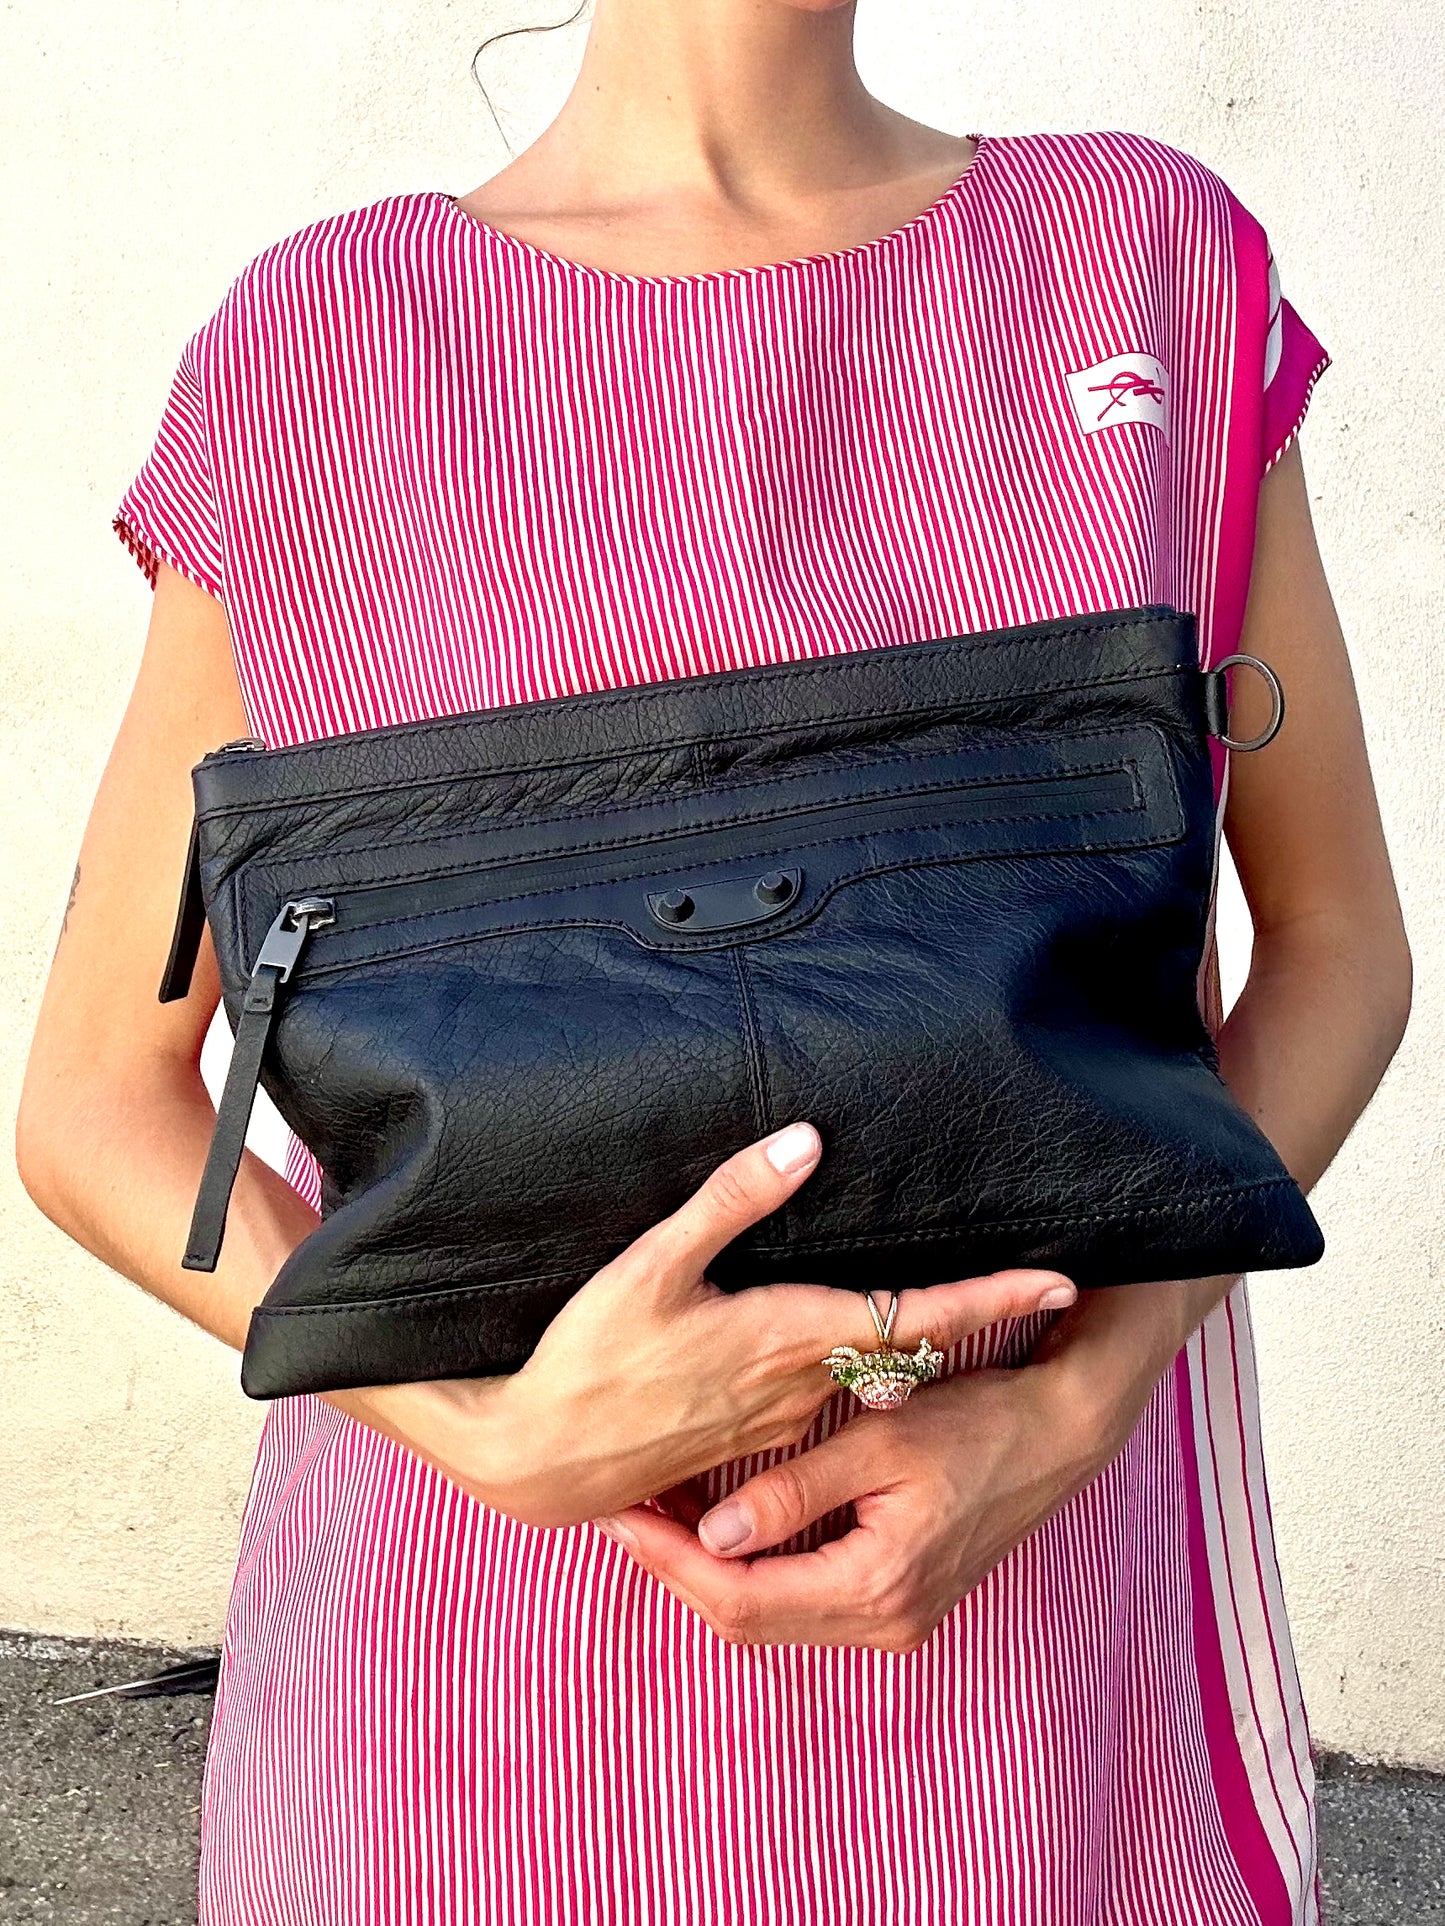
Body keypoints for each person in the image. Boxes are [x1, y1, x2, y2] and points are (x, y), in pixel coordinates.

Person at [17, 2, 1411, 1920]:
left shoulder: (1148, 263)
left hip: (1033, 1671)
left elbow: (1334, 941)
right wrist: (493, 1432)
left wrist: (1066, 1404)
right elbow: (101, 1097)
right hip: (464, 1710)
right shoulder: (313, 347)